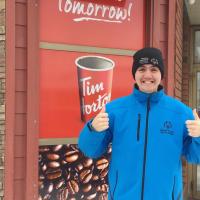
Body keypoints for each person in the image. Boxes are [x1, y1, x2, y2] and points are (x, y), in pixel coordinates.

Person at [78, 47, 200, 200]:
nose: (147, 75)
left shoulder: (181, 113)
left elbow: (196, 157)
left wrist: (198, 136)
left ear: (161, 74)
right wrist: (93, 129)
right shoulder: (115, 110)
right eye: (142, 69)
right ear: (134, 74)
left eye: (154, 69)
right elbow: (90, 150)